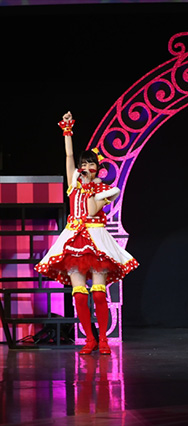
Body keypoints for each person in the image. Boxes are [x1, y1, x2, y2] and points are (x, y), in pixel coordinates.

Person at [35, 112, 139, 355]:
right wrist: (67, 131)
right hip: (74, 240)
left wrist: (92, 189)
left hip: (96, 241)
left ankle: (103, 339)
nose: (85, 168)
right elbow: (69, 156)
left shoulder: (103, 190)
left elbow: (92, 210)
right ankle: (89, 339)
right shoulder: (73, 186)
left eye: (91, 164)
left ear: (97, 169)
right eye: (84, 164)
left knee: (99, 294)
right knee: (79, 295)